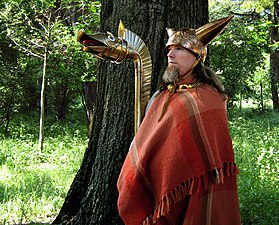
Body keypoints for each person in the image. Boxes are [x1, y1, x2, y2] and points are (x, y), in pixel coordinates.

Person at [117, 16, 241, 225]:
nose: (170, 54)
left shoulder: (210, 97)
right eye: (169, 49)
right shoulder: (162, 95)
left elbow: (210, 155)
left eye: (179, 49)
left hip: (197, 188)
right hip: (162, 187)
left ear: (196, 57)